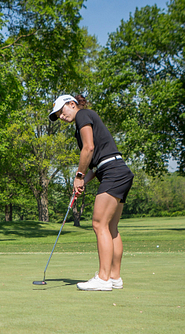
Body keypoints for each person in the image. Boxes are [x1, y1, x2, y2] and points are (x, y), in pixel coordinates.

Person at [49, 94, 134, 291]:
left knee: (99, 224)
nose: (61, 116)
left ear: (72, 104)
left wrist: (79, 175)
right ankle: (114, 277)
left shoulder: (82, 115)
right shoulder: (83, 123)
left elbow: (88, 148)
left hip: (113, 172)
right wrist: (81, 182)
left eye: (62, 111)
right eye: (58, 115)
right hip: (118, 171)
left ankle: (103, 279)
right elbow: (96, 166)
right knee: (111, 227)